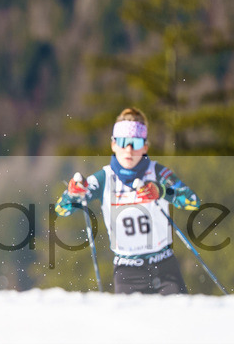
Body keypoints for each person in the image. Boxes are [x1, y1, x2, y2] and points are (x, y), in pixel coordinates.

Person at [54, 107, 200, 294]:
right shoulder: (104, 178)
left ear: (145, 146)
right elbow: (62, 209)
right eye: (123, 142)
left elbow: (192, 201)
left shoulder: (158, 173)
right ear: (113, 145)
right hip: (128, 272)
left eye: (135, 142)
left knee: (179, 320)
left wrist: (162, 191)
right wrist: (73, 193)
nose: (129, 149)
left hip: (164, 268)